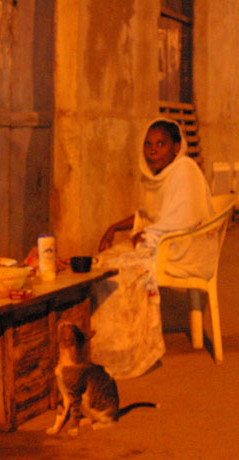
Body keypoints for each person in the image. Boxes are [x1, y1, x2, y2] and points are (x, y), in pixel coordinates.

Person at [91, 118, 215, 379]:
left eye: (161, 144)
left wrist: (149, 233)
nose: (153, 150)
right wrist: (114, 227)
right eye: (148, 144)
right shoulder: (157, 177)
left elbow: (185, 218)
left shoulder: (184, 170)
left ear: (176, 147)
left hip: (184, 247)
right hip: (163, 241)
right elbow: (148, 214)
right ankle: (107, 346)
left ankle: (134, 351)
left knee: (121, 270)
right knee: (101, 262)